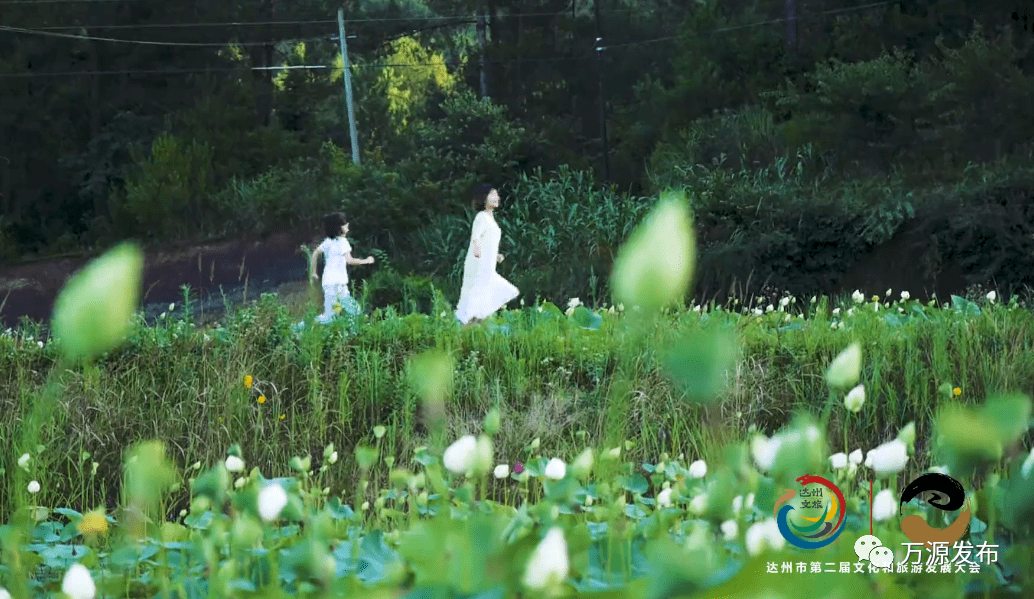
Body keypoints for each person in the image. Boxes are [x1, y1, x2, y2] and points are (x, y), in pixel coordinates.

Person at [454, 184, 519, 325]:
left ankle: (471, 331)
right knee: (474, 300)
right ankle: (465, 331)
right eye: (492, 195)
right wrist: (477, 249)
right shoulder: (481, 216)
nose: (496, 198)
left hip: (488, 267)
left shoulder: (491, 219)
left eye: (497, 195)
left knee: (486, 300)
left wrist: (496, 255)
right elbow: (476, 237)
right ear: (483, 198)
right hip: (478, 266)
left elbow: (488, 241)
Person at [309, 212, 374, 325]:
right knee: (354, 311)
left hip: (328, 283)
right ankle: (308, 324)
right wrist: (366, 261)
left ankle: (309, 324)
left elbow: (315, 253)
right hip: (339, 284)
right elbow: (349, 260)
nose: (347, 225)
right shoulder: (343, 242)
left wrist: (313, 273)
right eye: (344, 223)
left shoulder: (328, 242)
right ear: (339, 228)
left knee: (332, 314)